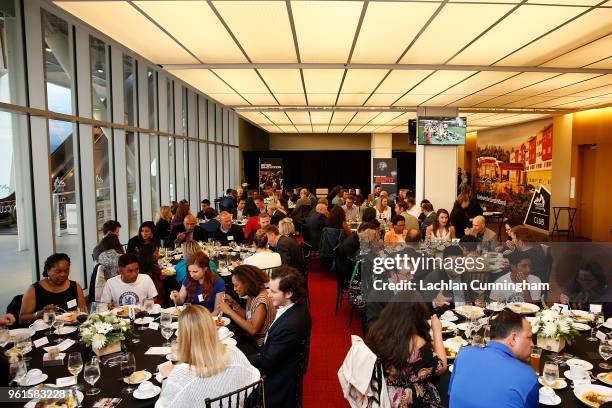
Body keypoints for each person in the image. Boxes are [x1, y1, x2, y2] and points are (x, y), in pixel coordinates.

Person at [155, 305, 260, 408]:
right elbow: (254, 379)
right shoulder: (234, 352)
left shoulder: (181, 377)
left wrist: (167, 378)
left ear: (183, 336)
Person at [366, 291, 447, 408]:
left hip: (380, 393)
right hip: (408, 400)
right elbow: (441, 366)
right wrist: (437, 331)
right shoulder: (418, 343)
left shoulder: (377, 332)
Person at [248, 267, 311, 408]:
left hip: (279, 386)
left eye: (273, 291)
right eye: (268, 289)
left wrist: (241, 358)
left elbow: (266, 363)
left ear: (289, 293)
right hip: (282, 366)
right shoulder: (297, 307)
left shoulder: (291, 325)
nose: (268, 295)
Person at [449, 310, 537, 408]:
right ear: (514, 338)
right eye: (529, 337)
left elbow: (453, 395)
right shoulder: (527, 376)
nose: (532, 344)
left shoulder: (464, 353)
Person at [20, 254, 88, 325]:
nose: (63, 274)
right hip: (46, 331)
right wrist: (40, 314)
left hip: (72, 329)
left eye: (66, 271)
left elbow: (83, 312)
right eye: (58, 271)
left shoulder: (75, 286)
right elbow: (22, 319)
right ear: (48, 271)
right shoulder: (34, 289)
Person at [219, 265, 276, 350]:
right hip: (251, 339)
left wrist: (229, 311)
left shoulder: (261, 299)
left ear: (247, 283)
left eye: (236, 285)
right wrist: (234, 304)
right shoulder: (252, 294)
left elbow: (253, 330)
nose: (234, 289)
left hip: (260, 345)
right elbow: (248, 317)